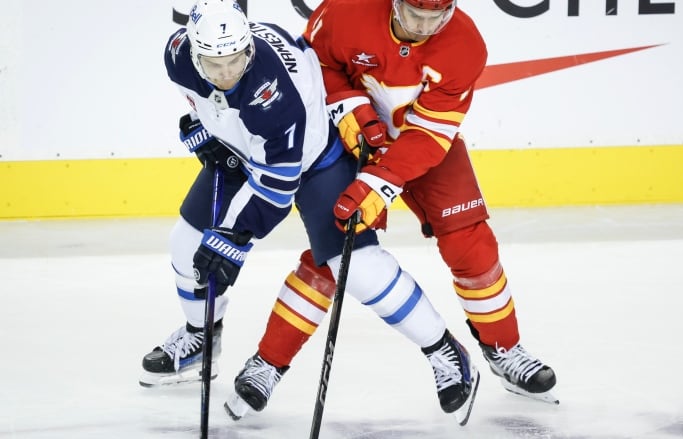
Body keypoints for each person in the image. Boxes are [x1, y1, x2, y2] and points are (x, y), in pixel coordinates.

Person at [139, 0, 479, 426]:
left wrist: (235, 239)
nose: (227, 73)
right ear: (192, 52)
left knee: (354, 266)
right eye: (214, 63)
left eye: (236, 61)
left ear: (248, 49)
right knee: (185, 242)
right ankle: (200, 340)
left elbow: (278, 190)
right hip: (245, 150)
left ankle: (444, 349)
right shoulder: (177, 55)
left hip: (316, 158)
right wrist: (204, 124)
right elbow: (202, 97)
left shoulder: (270, 94)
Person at [302, 0, 558, 404]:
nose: (422, 26)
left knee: (470, 241)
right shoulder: (345, 9)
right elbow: (312, 65)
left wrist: (380, 180)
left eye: (434, 17)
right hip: (345, 140)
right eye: (413, 14)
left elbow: (430, 134)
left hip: (421, 144)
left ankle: (502, 347)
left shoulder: (466, 44)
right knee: (334, 248)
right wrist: (348, 105)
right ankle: (270, 360)